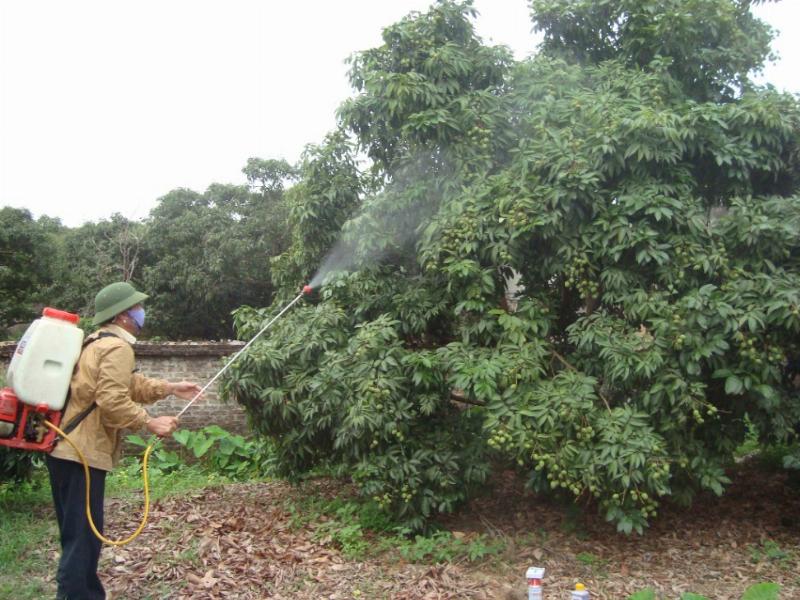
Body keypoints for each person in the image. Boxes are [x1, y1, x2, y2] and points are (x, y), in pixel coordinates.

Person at [46, 281, 202, 600]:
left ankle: (86, 594)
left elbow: (129, 384)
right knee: (83, 539)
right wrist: (150, 421)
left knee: (80, 536)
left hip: (67, 450)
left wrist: (170, 387)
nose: (141, 313)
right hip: (82, 454)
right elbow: (111, 399)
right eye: (136, 308)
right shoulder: (117, 348)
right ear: (122, 316)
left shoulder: (97, 343)